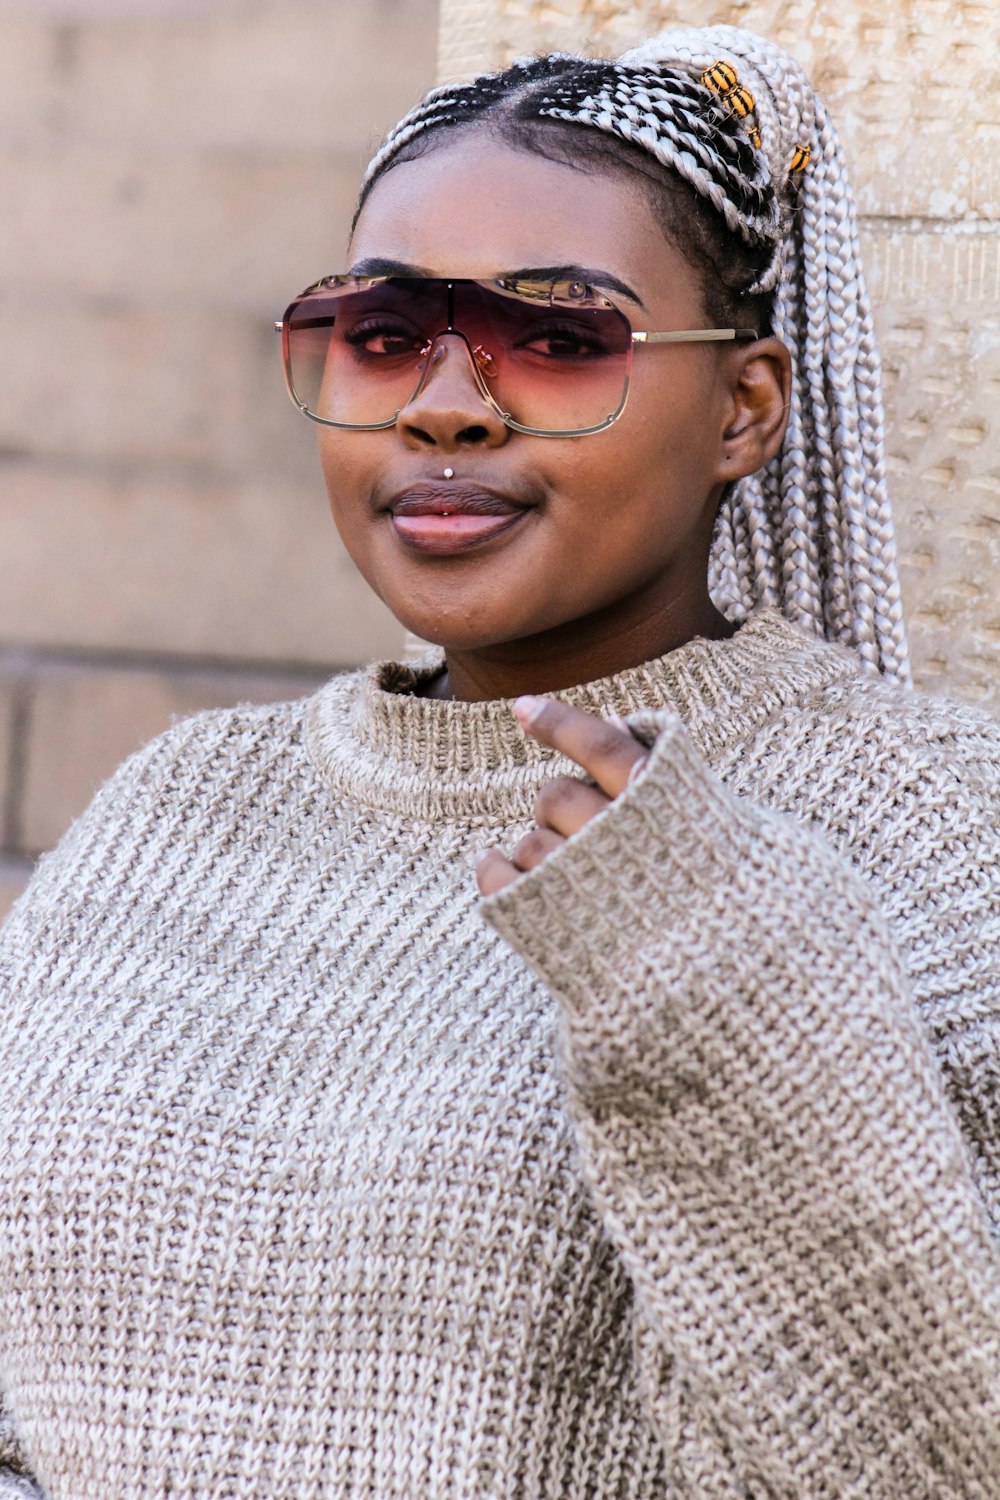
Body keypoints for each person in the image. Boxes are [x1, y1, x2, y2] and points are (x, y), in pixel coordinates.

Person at [0, 22, 997, 1499]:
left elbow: (930, 1461)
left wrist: (707, 950)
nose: (445, 404)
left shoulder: (924, 820)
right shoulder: (176, 801)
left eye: (559, 338)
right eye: (387, 334)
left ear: (745, 407)